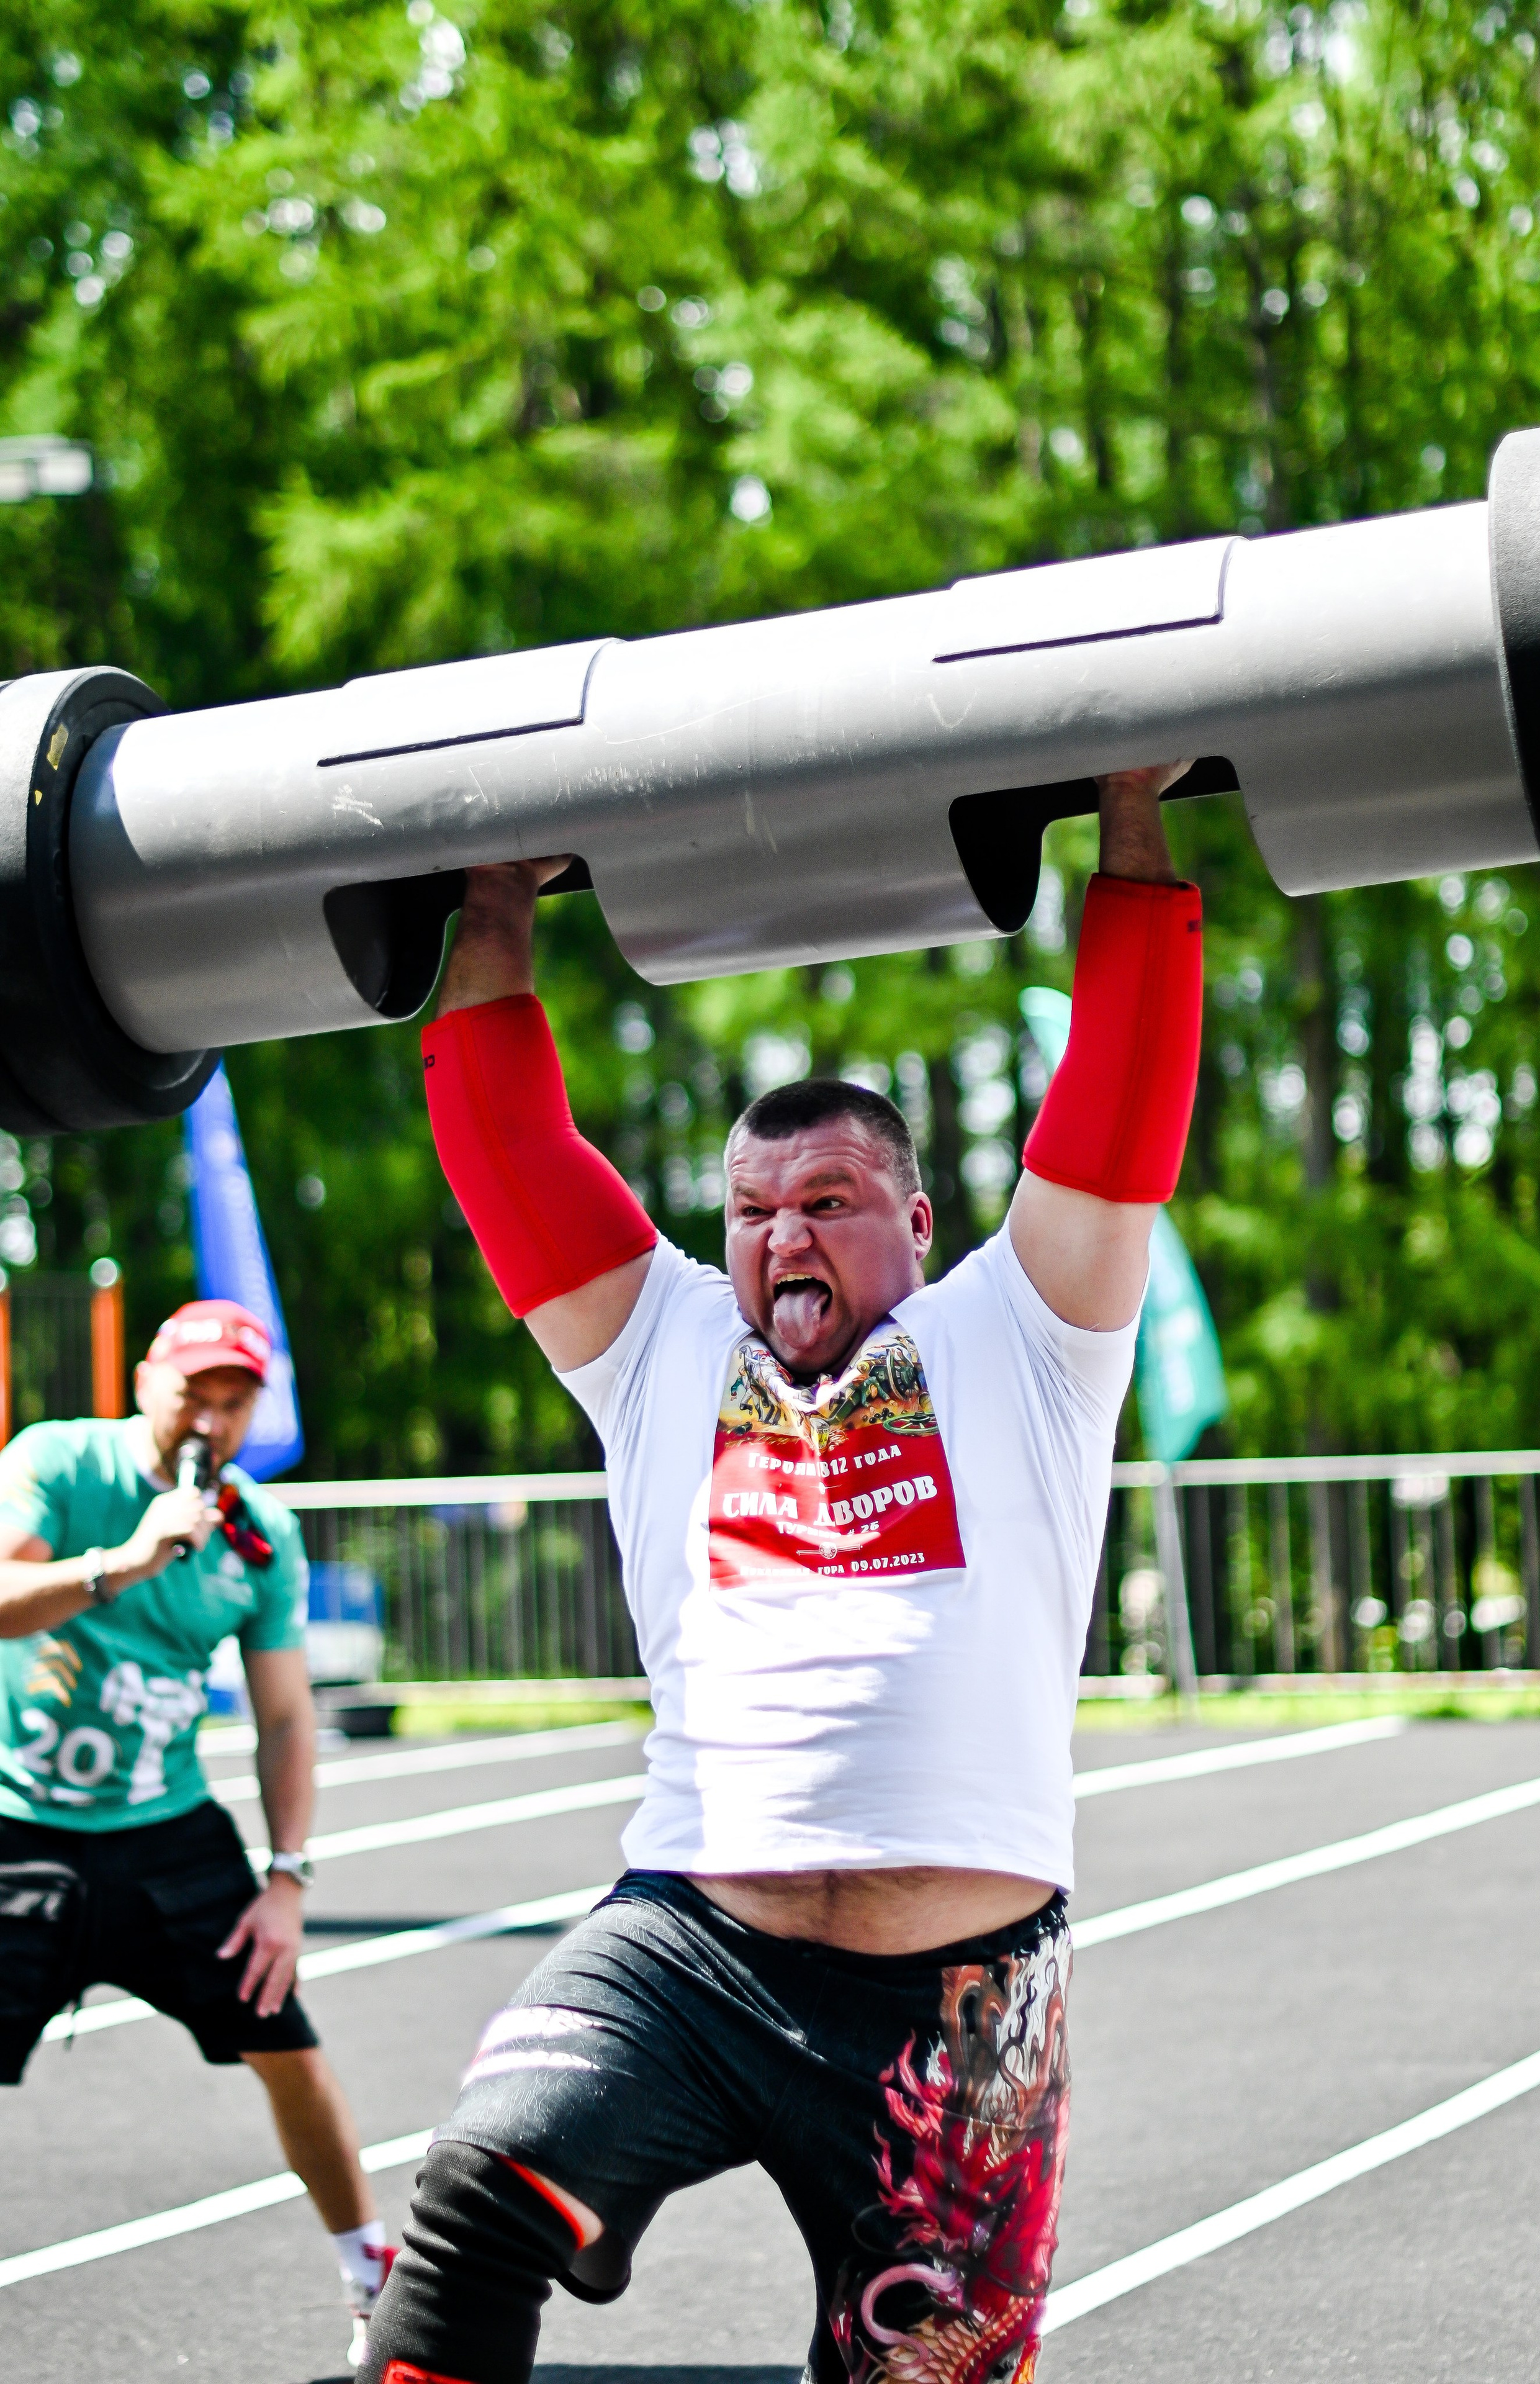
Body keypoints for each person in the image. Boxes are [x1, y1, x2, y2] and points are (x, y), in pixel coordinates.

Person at [367, 762, 1202, 2384]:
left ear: (916, 1216)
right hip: (689, 1948)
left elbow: (1119, 1099)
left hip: (959, 2017)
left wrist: (1133, 803)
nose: (782, 1238)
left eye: (827, 1203)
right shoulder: (658, 1342)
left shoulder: (1022, 1332)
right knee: (474, 2191)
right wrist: (488, 902)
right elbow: (504, 1144)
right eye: (753, 1209)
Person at [0, 1298, 394, 2367]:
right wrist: (120, 1563)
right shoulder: (61, 1461)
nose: (209, 1422)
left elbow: (281, 1719)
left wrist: (289, 1879)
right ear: (145, 1384)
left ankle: (374, 2279)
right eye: (193, 1394)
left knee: (287, 2043)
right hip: (17, 1823)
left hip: (165, 1834)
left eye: (234, 1401)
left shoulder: (260, 1538)